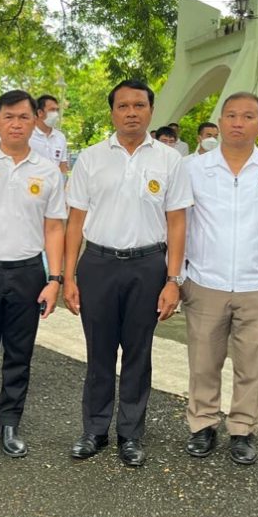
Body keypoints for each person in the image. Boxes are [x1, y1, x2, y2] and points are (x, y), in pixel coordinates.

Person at [63, 80, 190, 466]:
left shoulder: (170, 160)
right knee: (99, 352)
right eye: (123, 106)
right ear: (112, 112)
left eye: (139, 105)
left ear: (150, 111)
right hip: (98, 265)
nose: (131, 112)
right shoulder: (91, 158)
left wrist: (173, 280)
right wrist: (68, 276)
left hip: (147, 266)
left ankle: (131, 434)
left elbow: (177, 223)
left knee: (138, 353)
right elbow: (75, 220)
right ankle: (95, 430)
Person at [181, 92, 258, 465]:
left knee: (253, 364)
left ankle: (243, 429)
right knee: (203, 361)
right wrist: (179, 275)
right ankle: (203, 424)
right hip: (204, 282)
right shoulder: (193, 168)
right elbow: (181, 224)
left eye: (248, 116)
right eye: (231, 115)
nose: (238, 122)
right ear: (220, 122)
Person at [0, 89, 65, 458]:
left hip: (28, 272)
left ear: (35, 120)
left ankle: (9, 422)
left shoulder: (47, 171)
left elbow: (55, 227)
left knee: (19, 353)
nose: (16, 124)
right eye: (8, 117)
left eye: (23, 117)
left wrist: (55, 280)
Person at [30, 94, 69, 174]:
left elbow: (63, 165)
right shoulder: (27, 136)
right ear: (40, 112)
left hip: (54, 181)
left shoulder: (60, 137)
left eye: (57, 110)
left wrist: (63, 179)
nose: (56, 114)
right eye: (52, 110)